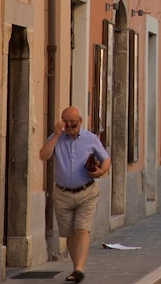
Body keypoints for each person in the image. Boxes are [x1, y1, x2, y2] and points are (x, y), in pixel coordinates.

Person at [39, 106, 110, 284]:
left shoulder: (90, 139)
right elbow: (43, 155)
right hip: (62, 193)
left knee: (81, 229)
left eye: (74, 124)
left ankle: (79, 269)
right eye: (67, 124)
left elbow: (106, 158)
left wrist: (101, 171)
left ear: (80, 122)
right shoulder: (57, 138)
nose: (70, 127)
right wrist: (55, 135)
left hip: (86, 191)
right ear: (62, 122)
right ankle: (76, 266)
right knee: (69, 234)